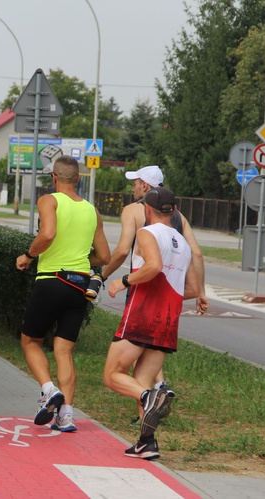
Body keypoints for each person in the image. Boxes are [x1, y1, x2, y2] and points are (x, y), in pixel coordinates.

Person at [103, 187, 200, 460]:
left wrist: (124, 281)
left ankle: (149, 397)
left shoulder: (147, 233)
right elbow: (192, 288)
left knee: (112, 376)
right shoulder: (181, 241)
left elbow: (154, 266)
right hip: (168, 320)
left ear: (147, 209)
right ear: (174, 210)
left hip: (143, 314)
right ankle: (147, 442)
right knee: (142, 379)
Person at [15, 156, 110, 432]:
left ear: (53, 177)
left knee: (30, 341)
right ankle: (66, 415)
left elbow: (47, 234)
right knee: (64, 350)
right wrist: (79, 260)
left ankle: (48, 390)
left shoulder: (50, 200)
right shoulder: (93, 211)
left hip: (52, 280)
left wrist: (28, 255)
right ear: (79, 178)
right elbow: (104, 255)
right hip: (79, 285)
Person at [101, 165, 208, 314]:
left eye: (135, 184)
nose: (132, 189)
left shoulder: (132, 210)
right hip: (168, 298)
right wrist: (201, 292)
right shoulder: (178, 216)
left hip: (141, 292)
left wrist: (102, 276)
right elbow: (196, 254)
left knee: (129, 337)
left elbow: (123, 251)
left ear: (144, 186)